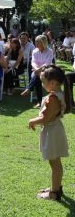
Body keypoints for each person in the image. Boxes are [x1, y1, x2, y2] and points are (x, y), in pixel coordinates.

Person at [28, 65, 70, 201]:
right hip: (54, 129)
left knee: (54, 163)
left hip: (52, 131)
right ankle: (56, 187)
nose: (42, 84)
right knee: (56, 163)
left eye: (43, 81)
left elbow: (45, 118)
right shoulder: (59, 94)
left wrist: (32, 121)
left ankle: (54, 192)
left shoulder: (52, 98)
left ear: (53, 83)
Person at [21, 35, 54, 107]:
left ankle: (29, 89)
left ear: (43, 42)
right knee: (38, 78)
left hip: (47, 70)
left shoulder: (50, 51)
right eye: (35, 41)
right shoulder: (35, 51)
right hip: (36, 70)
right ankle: (40, 101)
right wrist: (36, 70)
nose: (35, 43)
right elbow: (33, 62)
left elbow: (47, 63)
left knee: (38, 76)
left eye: (37, 41)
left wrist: (38, 70)